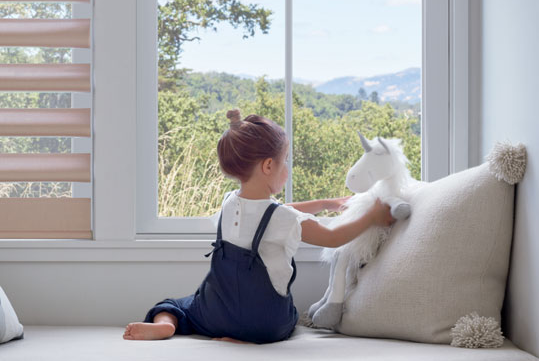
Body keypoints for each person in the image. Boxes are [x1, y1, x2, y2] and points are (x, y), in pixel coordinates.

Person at [124, 110, 394, 344]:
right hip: (267, 324)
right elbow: (333, 237)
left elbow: (274, 210)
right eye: (285, 159)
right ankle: (245, 340)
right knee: (288, 319)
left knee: (173, 305)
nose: (287, 167)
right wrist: (372, 216)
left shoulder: (230, 202)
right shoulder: (283, 219)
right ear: (268, 165)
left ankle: (166, 325)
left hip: (217, 313)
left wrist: (327, 203)